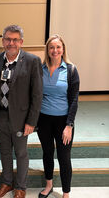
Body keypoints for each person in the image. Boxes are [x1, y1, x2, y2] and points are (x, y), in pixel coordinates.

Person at [0, 25, 43, 198]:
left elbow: (37, 94)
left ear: (21, 42)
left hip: (21, 119)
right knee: (4, 151)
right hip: (0, 116)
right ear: (3, 41)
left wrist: (32, 122)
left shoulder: (32, 61)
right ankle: (6, 183)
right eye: (8, 39)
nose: (11, 43)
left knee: (20, 153)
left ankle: (20, 187)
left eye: (15, 40)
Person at [37, 34, 80, 198]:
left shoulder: (71, 70)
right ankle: (48, 185)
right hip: (44, 119)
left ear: (63, 50)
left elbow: (74, 100)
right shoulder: (40, 70)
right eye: (51, 47)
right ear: (47, 50)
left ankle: (66, 192)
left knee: (64, 157)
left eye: (58, 47)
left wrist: (69, 125)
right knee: (47, 153)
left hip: (64, 121)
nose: (55, 50)